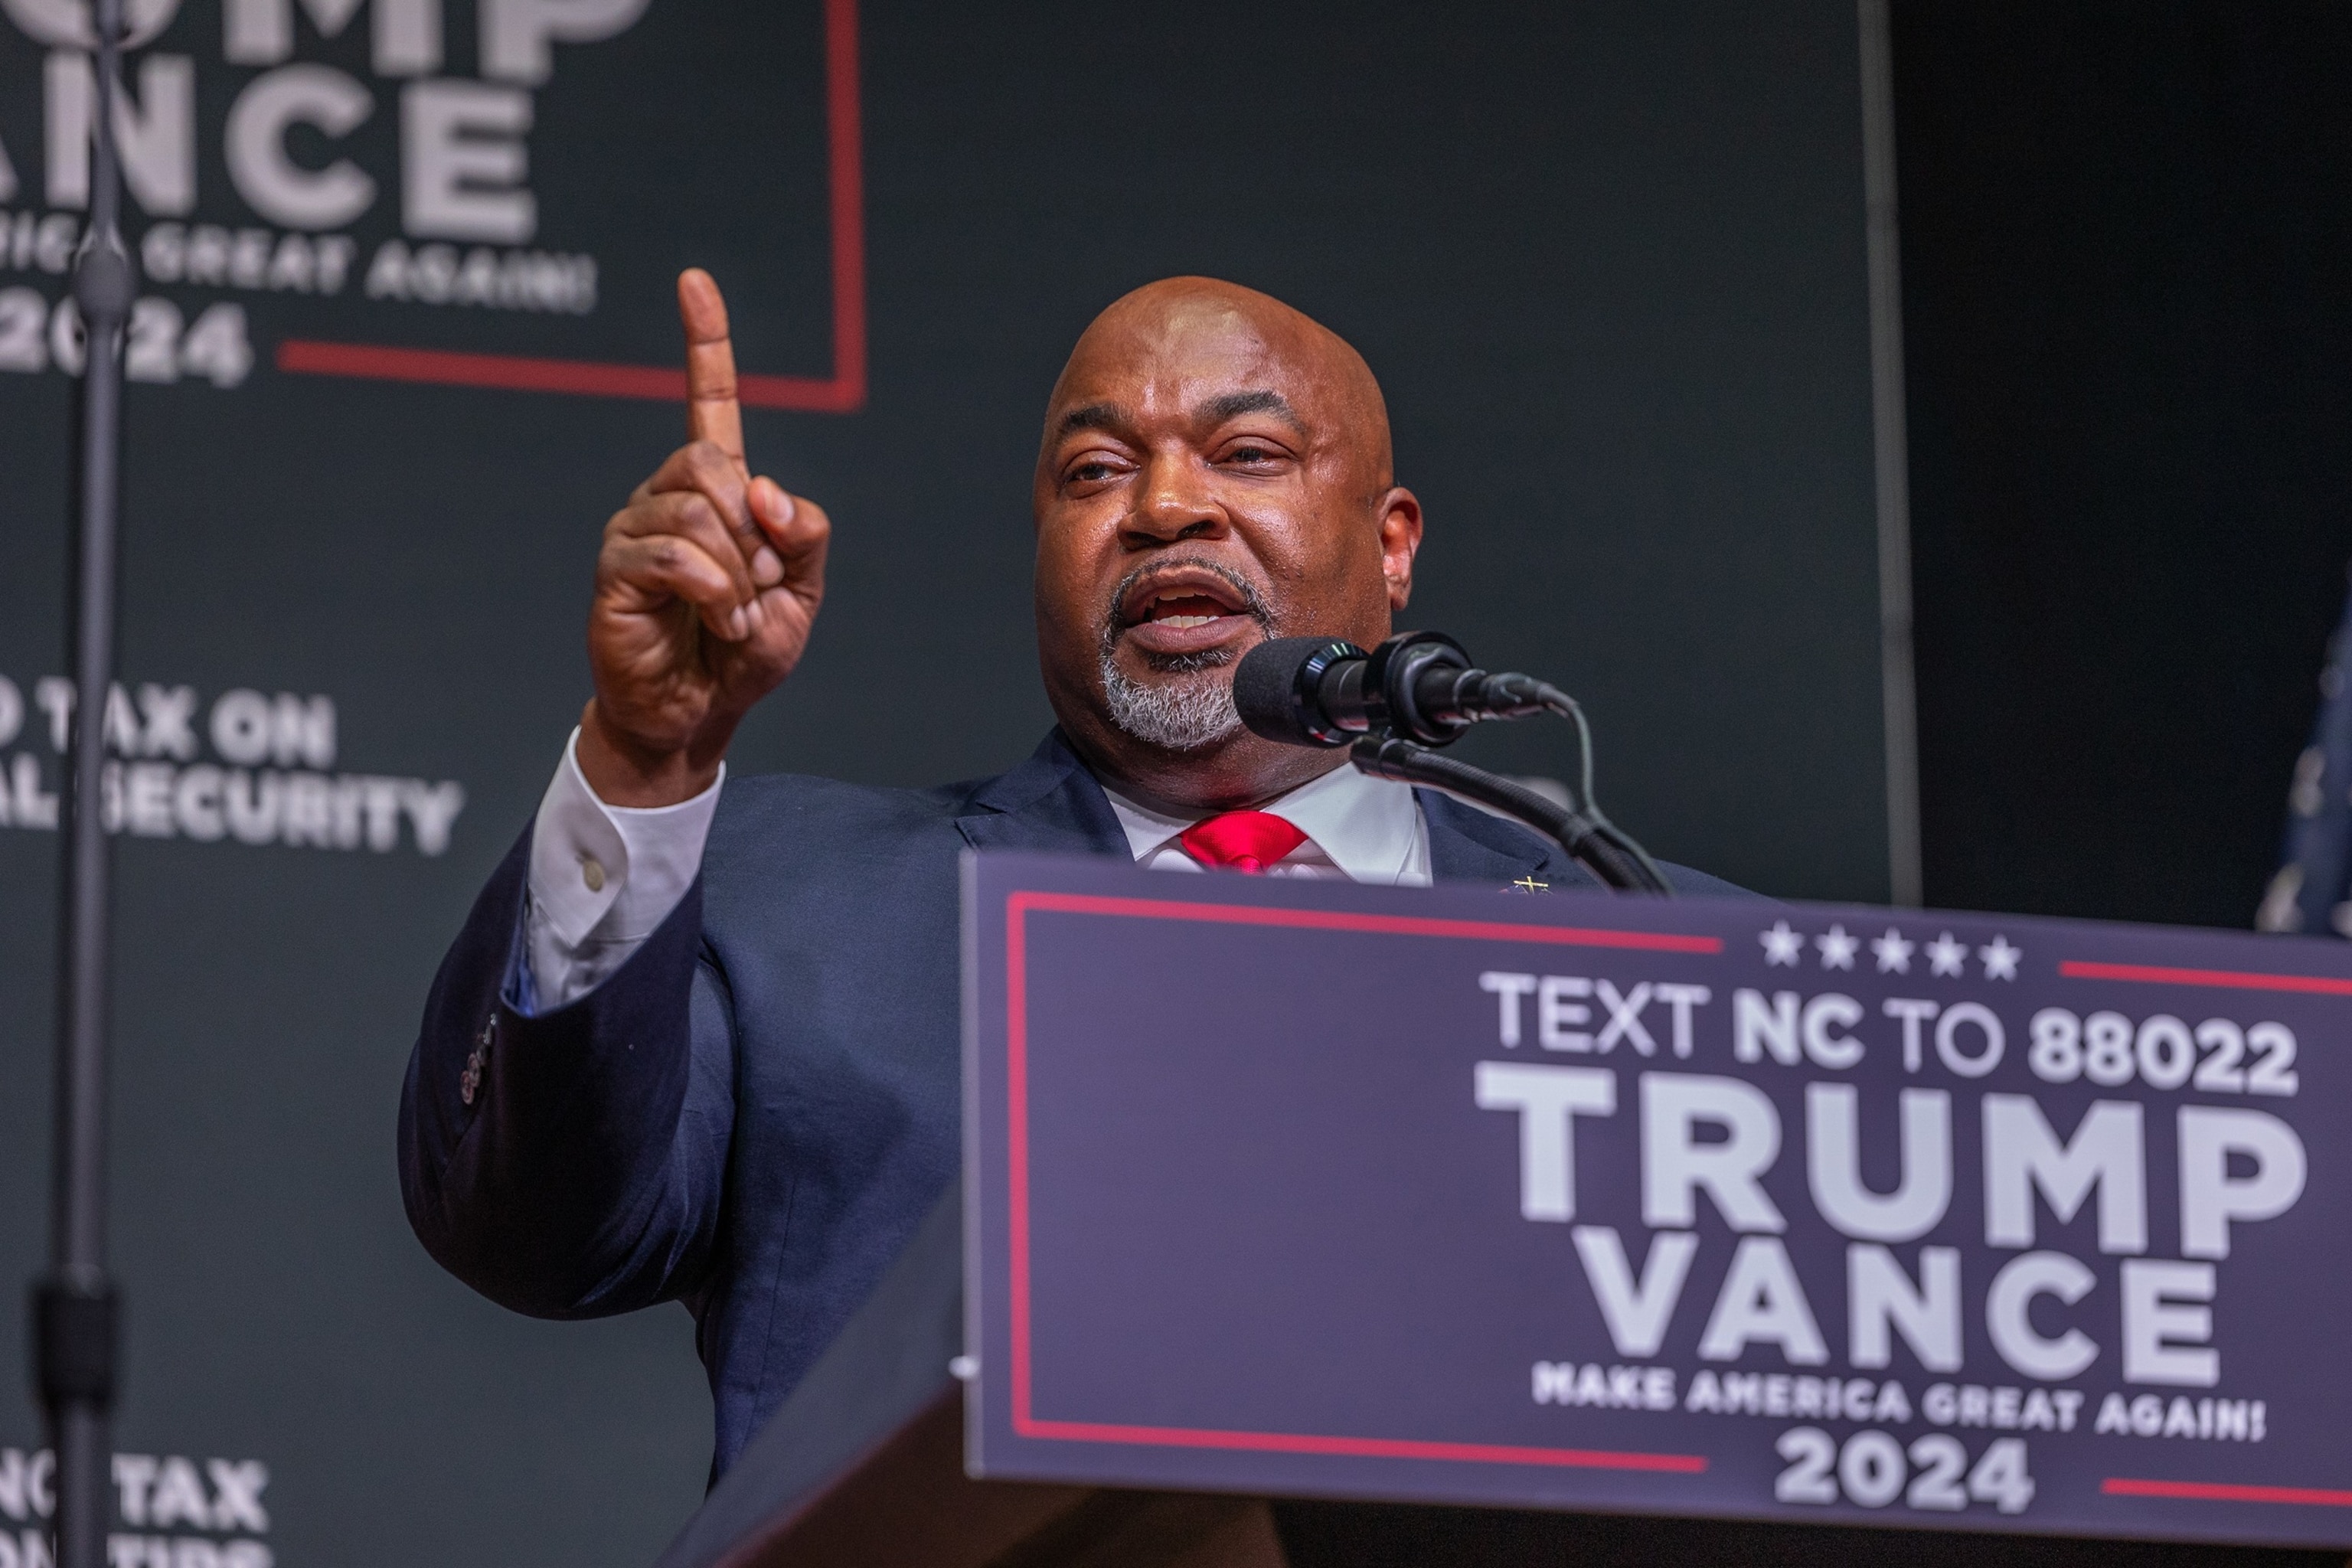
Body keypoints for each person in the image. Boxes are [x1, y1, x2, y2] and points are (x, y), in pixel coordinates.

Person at [397, 270, 1743, 1475]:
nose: (1165, 508)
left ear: (1393, 545)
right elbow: (531, 1228)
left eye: (1249, 452)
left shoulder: (1664, 955)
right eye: (1096, 473)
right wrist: (644, 761)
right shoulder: (793, 903)